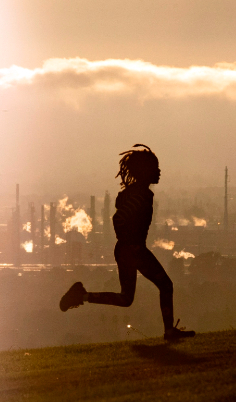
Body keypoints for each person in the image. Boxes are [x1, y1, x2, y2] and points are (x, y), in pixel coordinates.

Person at [59, 144, 195, 341]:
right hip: (133, 250)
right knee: (165, 285)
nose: (159, 172)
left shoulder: (138, 193)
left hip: (127, 249)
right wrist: (130, 241)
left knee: (126, 298)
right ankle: (169, 331)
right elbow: (119, 219)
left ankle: (82, 296)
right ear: (145, 171)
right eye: (155, 168)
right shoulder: (140, 195)